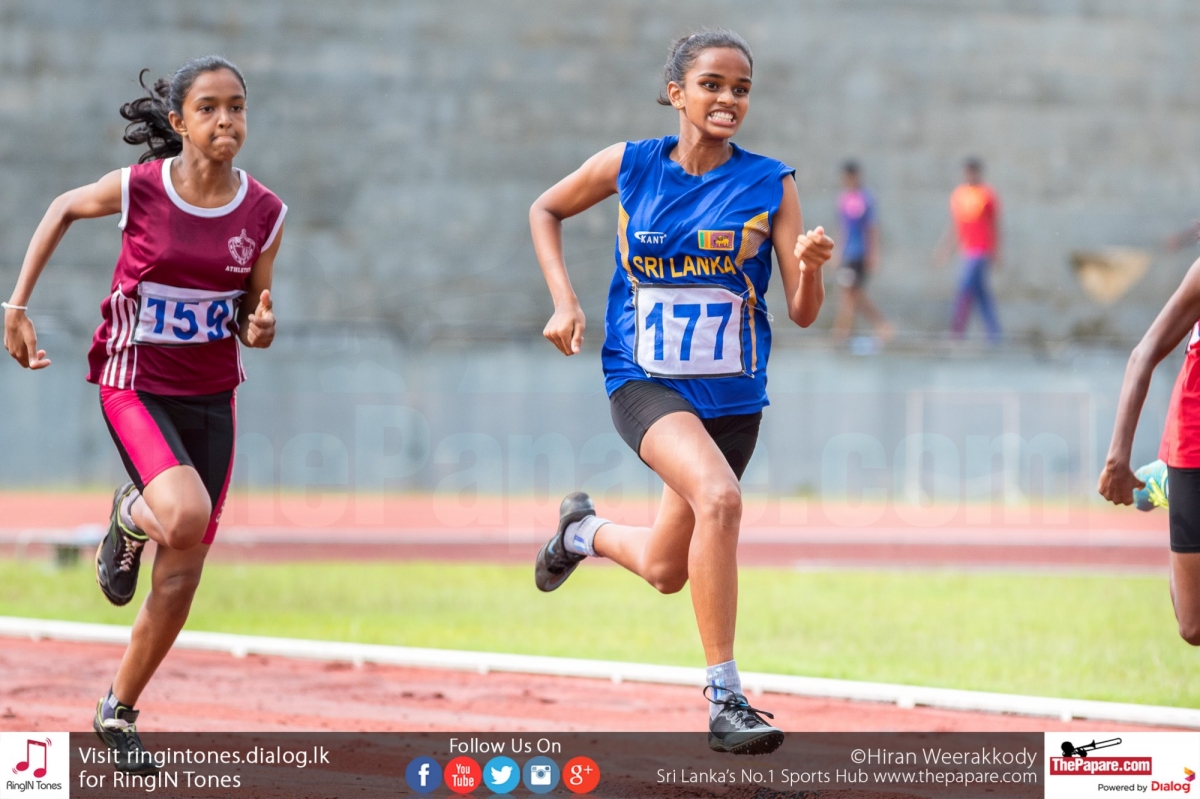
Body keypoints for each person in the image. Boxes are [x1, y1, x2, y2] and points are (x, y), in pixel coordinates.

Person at [528, 29, 832, 755]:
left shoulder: (771, 183)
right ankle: (726, 699)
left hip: (733, 400)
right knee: (720, 499)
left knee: (667, 569)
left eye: (741, 89)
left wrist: (812, 266)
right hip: (644, 380)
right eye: (712, 85)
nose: (728, 99)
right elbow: (545, 209)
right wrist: (565, 300)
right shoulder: (631, 165)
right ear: (676, 93)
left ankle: (580, 533)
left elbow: (802, 311)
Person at [2, 57, 286, 770]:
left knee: (182, 575)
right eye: (209, 107)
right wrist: (16, 305)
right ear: (179, 121)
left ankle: (117, 709)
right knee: (182, 518)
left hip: (212, 395)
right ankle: (132, 512)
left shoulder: (264, 213)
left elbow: (251, 312)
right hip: (135, 383)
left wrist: (259, 326)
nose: (226, 120)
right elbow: (61, 208)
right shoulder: (141, 189)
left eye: (237, 107)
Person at [1097, 258, 1200, 646]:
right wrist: (1117, 460)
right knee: (1193, 627)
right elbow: (1144, 353)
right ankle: (1169, 485)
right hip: (1195, 433)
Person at [935, 157, 1001, 342]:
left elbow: (994, 225)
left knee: (964, 289)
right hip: (967, 250)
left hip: (982, 250)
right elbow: (956, 226)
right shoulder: (959, 195)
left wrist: (997, 251)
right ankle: (994, 334)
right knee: (981, 294)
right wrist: (946, 249)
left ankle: (956, 332)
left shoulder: (987, 194)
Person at [831, 160, 892, 343]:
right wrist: (837, 251)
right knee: (849, 293)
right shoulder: (843, 199)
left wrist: (873, 254)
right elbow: (842, 228)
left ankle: (844, 332)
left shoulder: (866, 198)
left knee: (850, 292)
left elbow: (872, 228)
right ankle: (846, 331)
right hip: (848, 253)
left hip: (860, 253)